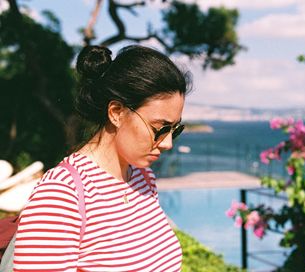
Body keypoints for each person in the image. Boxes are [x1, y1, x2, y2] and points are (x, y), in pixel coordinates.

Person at [13, 45, 192, 271]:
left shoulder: (142, 178)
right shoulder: (61, 195)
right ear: (116, 112)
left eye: (174, 130)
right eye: (159, 128)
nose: (167, 143)